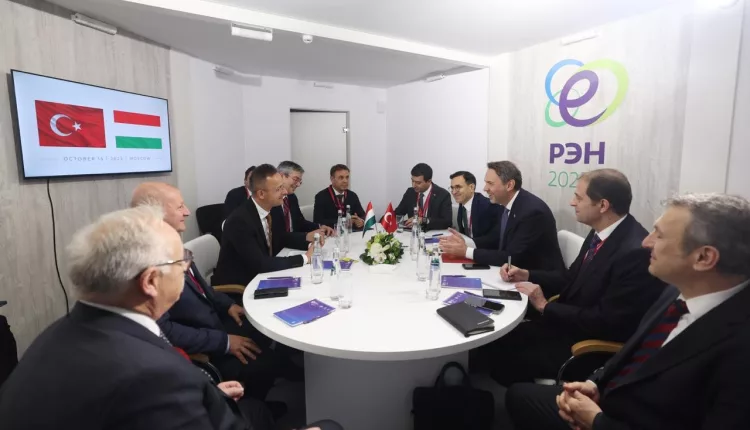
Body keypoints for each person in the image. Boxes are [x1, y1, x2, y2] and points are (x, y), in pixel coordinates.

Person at [0, 206, 261, 429]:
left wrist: (200, 398)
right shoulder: (157, 377)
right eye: (182, 260)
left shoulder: (55, 336)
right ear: (150, 281)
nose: (187, 267)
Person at [506, 193, 750, 430]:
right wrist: (595, 383)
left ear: (704, 257)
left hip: (621, 419)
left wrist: (596, 422)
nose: (646, 242)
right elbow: (633, 349)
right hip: (610, 394)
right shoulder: (677, 289)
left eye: (660, 235)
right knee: (519, 395)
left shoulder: (739, 351)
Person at [473, 169, 666, 385]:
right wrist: (527, 274)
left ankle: (522, 397)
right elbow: (570, 279)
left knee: (505, 356)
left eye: (578, 198)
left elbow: (608, 322)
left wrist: (545, 306)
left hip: (586, 346)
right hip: (567, 324)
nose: (572, 202)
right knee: (498, 335)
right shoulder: (600, 232)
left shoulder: (634, 253)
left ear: (602, 205)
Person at [130, 182, 287, 402]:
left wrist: (228, 305)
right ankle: (249, 410)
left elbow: (203, 290)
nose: (187, 212)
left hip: (214, 320)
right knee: (267, 362)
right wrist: (224, 342)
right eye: (180, 207)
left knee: (268, 326)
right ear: (155, 214)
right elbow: (164, 330)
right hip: (203, 345)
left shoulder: (174, 245)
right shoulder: (148, 264)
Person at [213, 164, 325, 287]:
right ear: (261, 194)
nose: (284, 192)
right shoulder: (240, 221)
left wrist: (309, 245)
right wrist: (305, 258)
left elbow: (280, 238)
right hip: (242, 286)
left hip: (261, 275)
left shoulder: (266, 211)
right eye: (279, 189)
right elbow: (260, 264)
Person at [440, 161, 564, 271]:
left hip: (537, 279)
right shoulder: (510, 205)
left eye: (490, 183)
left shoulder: (532, 212)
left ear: (509, 185)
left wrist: (466, 251)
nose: (485, 188)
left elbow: (512, 257)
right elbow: (498, 241)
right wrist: (467, 243)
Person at [272, 160, 334, 236]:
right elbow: (277, 235)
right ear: (281, 176)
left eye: (300, 181)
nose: (298, 184)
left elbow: (300, 222)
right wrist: (306, 237)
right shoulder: (272, 200)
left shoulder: (292, 197)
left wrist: (320, 227)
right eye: (295, 179)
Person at [448, 170, 500, 249]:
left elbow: (493, 239)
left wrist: (467, 243)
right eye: (452, 188)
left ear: (471, 187)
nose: (454, 192)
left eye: (458, 187)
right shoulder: (462, 204)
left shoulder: (488, 206)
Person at [394, 163, 452, 231]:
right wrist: (386, 218)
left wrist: (423, 220)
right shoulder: (410, 192)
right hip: (412, 233)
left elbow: (447, 222)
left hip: (432, 233)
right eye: (412, 181)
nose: (413, 185)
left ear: (429, 181)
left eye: (418, 183)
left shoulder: (443, 195)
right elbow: (398, 213)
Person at [313, 164, 366, 230]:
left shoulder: (352, 195)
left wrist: (361, 221)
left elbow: (363, 215)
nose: (345, 181)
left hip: (351, 232)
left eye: (347, 177)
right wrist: (344, 221)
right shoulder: (321, 196)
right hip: (332, 233)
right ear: (332, 179)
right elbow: (318, 221)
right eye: (341, 177)